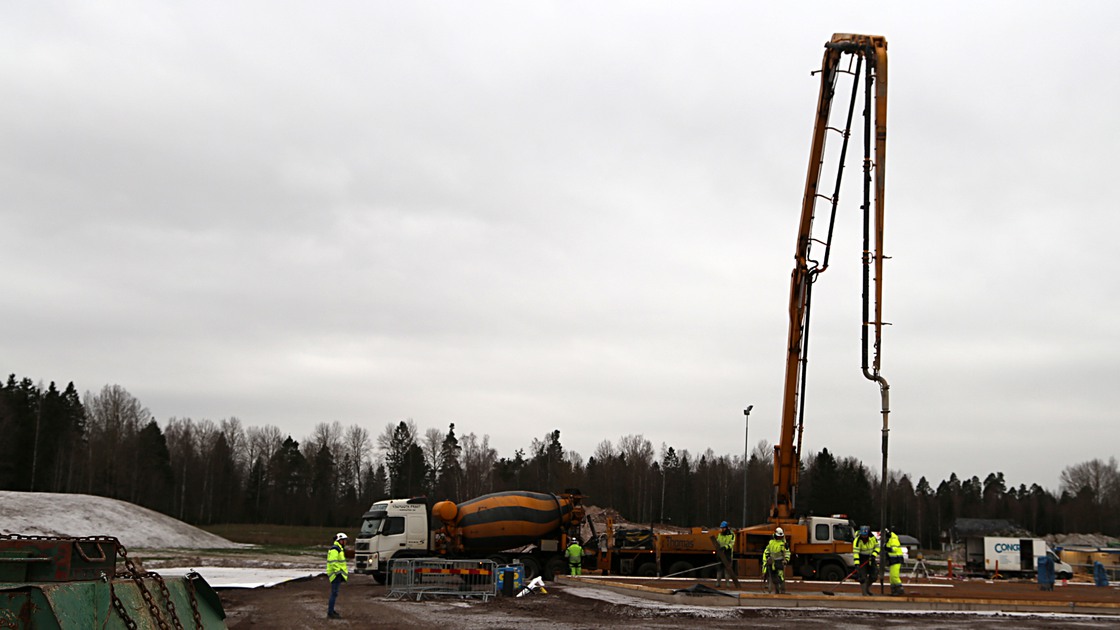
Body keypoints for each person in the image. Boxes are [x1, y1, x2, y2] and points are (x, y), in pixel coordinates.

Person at [852, 525, 879, 596]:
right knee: (862, 576)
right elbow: (856, 553)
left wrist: (873, 555)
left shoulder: (873, 538)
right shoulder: (857, 541)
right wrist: (857, 564)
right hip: (862, 559)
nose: (864, 537)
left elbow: (877, 547)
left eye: (865, 535)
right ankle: (864, 592)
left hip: (871, 558)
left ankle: (867, 588)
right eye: (863, 535)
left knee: (874, 576)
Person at [762, 527, 790, 594]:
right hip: (772, 562)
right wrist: (767, 557)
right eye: (778, 536)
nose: (780, 538)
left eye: (781, 536)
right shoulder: (771, 542)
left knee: (780, 576)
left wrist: (786, 560)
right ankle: (777, 591)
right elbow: (767, 551)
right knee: (773, 576)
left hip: (780, 562)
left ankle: (782, 590)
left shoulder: (783, 544)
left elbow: (787, 553)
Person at [326, 532, 349, 619]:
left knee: (334, 593)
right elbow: (333, 561)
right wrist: (338, 571)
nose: (345, 542)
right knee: (334, 593)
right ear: (340, 541)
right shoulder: (335, 549)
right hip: (335, 574)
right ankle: (330, 612)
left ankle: (331, 610)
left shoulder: (338, 549)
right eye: (344, 540)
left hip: (336, 574)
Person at [882, 526, 905, 596]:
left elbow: (894, 549)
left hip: (896, 559)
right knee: (891, 577)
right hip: (892, 560)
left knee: (894, 576)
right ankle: (894, 590)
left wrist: (885, 547)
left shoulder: (893, 538)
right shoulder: (889, 539)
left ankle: (899, 589)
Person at [715, 521, 736, 587]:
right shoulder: (720, 534)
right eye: (722, 528)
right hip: (720, 553)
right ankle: (718, 583)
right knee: (719, 569)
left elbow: (732, 544)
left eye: (723, 528)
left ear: (727, 528)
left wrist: (725, 547)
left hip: (728, 554)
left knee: (727, 569)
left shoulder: (732, 535)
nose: (722, 529)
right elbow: (718, 542)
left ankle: (727, 584)